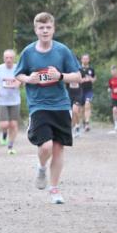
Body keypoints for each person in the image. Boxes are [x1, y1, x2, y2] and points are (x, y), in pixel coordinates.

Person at [14, 12, 82, 205]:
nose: (45, 31)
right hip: (39, 105)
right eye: (41, 28)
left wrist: (60, 76)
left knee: (59, 148)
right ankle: (42, 167)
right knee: (46, 146)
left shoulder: (62, 51)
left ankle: (54, 189)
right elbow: (18, 75)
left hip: (61, 105)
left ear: (53, 29)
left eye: (48, 27)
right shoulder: (28, 52)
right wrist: (29, 79)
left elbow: (77, 76)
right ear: (36, 30)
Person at [0, 49, 22, 155]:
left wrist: (19, 82)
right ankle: (4, 134)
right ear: (3, 58)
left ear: (14, 58)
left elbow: (24, 80)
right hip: (2, 100)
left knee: (13, 124)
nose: (8, 60)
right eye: (6, 58)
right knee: (4, 125)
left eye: (10, 58)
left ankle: (10, 146)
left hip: (15, 100)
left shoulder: (18, 68)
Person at [79, 54, 96, 132]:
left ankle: (87, 123)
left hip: (89, 91)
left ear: (89, 60)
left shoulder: (91, 69)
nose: (85, 60)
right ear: (81, 60)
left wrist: (91, 79)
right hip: (80, 91)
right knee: (81, 109)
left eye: (87, 59)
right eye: (84, 58)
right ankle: (83, 122)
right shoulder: (78, 69)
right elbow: (76, 80)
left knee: (87, 104)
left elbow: (94, 78)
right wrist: (83, 80)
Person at [108, 65, 117, 132]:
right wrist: (109, 90)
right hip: (114, 98)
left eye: (114, 70)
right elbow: (110, 88)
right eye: (112, 70)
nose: (113, 72)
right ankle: (116, 124)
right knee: (114, 110)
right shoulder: (111, 80)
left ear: (116, 70)